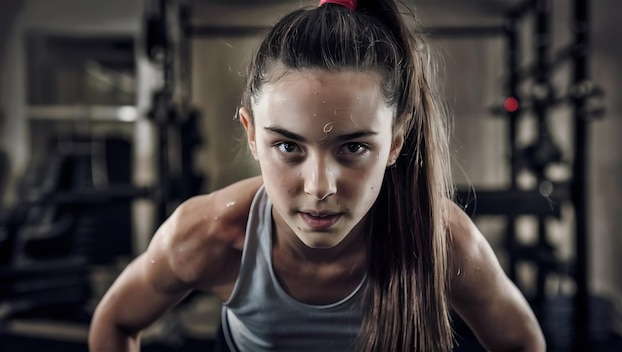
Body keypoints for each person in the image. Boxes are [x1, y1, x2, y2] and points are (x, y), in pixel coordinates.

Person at [88, 0, 546, 351]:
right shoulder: (207, 235)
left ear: (397, 141)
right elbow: (115, 322)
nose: (319, 187)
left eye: (353, 147)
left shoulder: (443, 241)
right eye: (288, 146)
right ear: (251, 135)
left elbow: (522, 342)